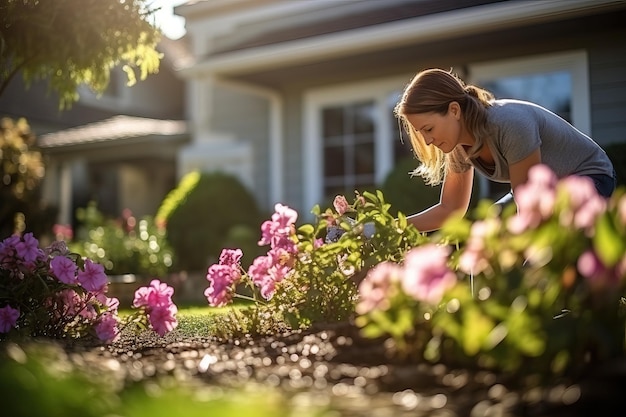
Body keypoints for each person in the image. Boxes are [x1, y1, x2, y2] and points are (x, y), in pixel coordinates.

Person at [394, 68, 617, 232]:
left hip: (587, 179)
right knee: (484, 234)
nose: (428, 140)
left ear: (454, 110)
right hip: (540, 193)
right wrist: (386, 228)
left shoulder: (510, 125)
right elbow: (450, 209)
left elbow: (528, 206)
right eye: (420, 132)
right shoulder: (457, 147)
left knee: (537, 260)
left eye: (428, 129)